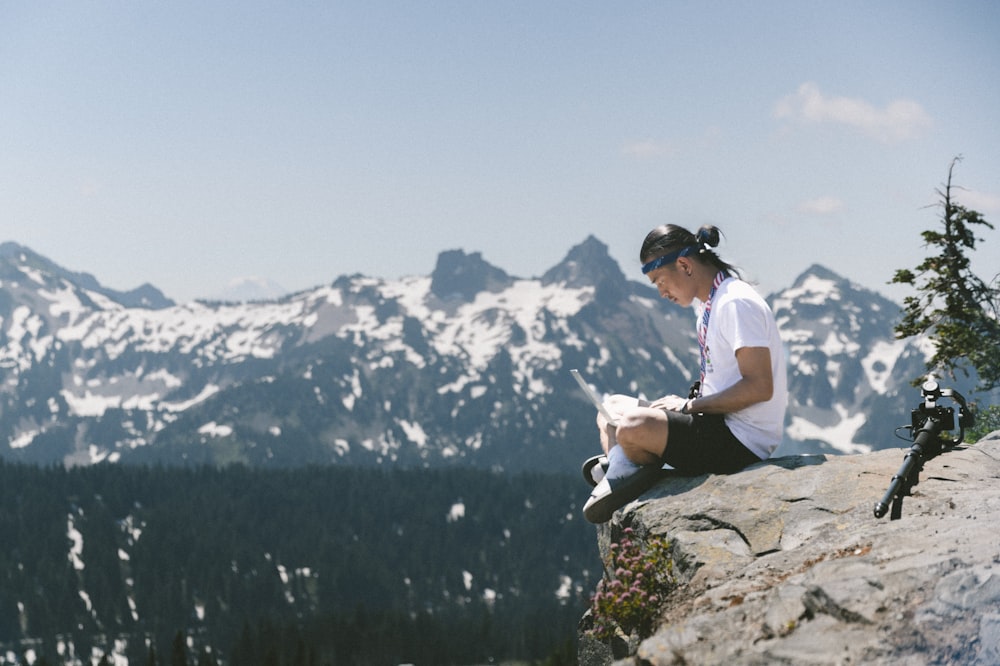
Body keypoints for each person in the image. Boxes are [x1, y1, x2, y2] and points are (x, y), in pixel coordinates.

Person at [582, 224, 787, 524]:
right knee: (610, 408)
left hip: (741, 442)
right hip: (715, 424)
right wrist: (685, 406)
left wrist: (688, 407)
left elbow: (759, 387)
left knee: (631, 426)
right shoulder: (710, 303)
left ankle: (624, 467)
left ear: (684, 265)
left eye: (659, 281)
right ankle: (624, 464)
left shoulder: (736, 302)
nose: (661, 292)